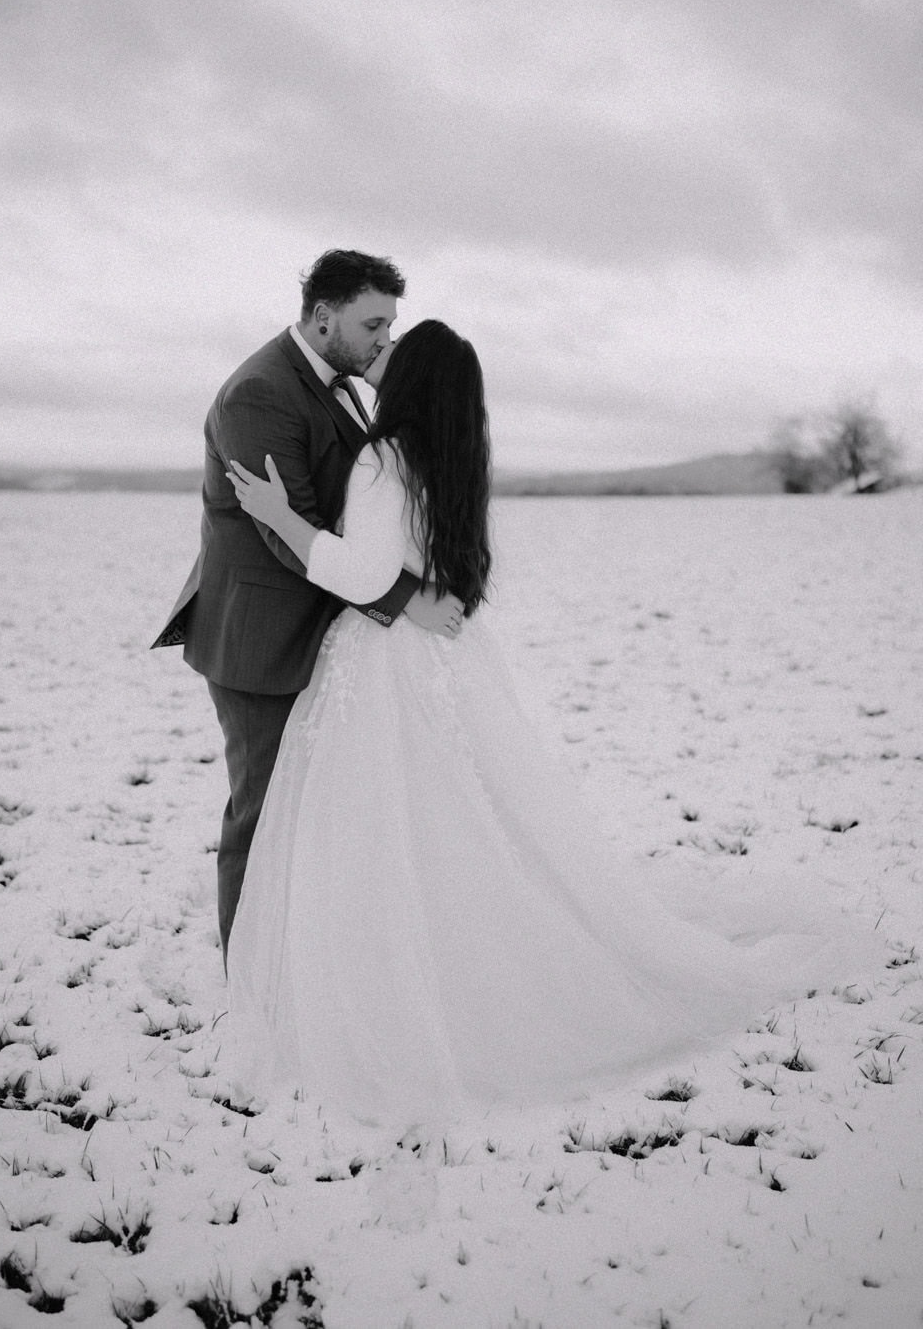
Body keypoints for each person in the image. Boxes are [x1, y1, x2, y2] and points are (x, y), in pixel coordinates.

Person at [223, 320, 877, 1124]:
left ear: (414, 378)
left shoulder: (382, 458)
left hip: (388, 662)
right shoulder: (450, 459)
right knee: (452, 823)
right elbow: (435, 584)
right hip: (440, 659)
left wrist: (281, 515)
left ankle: (392, 987)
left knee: (384, 828)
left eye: (392, 349)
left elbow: (363, 573)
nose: (378, 354)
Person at [152, 251, 464, 957]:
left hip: (320, 627)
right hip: (260, 638)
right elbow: (284, 529)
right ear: (324, 318)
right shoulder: (258, 393)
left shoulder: (339, 378)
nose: (386, 338)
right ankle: (252, 976)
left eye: (390, 323)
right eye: (373, 323)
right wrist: (404, 596)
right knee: (262, 815)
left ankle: (310, 963)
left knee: (312, 811)